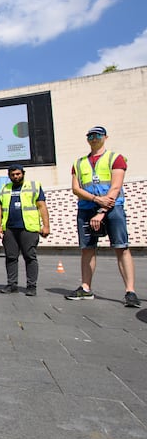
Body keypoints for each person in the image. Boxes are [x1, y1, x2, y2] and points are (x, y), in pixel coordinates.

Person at [65, 126, 140, 307]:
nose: (93, 138)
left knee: (121, 247)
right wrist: (95, 200)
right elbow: (76, 189)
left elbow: (115, 186)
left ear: (105, 137)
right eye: (90, 135)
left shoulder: (115, 158)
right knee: (87, 248)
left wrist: (102, 211)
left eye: (97, 135)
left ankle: (130, 291)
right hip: (87, 208)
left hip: (112, 208)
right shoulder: (79, 162)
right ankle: (86, 288)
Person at [0, 164, 50, 296]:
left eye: (18, 174)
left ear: (23, 174)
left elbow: (42, 206)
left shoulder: (34, 186)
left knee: (30, 257)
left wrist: (46, 226)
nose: (16, 176)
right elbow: (0, 208)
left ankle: (31, 286)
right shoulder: (5, 188)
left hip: (28, 228)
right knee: (11, 257)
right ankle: (12, 284)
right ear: (9, 176)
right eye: (13, 175)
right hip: (9, 229)